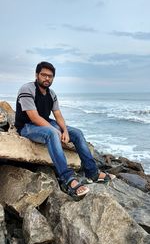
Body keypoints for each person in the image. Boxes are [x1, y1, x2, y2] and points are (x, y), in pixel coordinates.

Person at [15, 61, 115, 199]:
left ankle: (92, 173)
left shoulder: (52, 94)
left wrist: (65, 131)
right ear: (37, 75)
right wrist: (54, 130)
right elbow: (34, 117)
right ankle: (68, 179)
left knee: (77, 133)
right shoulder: (27, 89)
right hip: (27, 126)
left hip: (44, 122)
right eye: (43, 75)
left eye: (50, 76)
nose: (47, 78)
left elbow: (58, 114)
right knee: (51, 133)